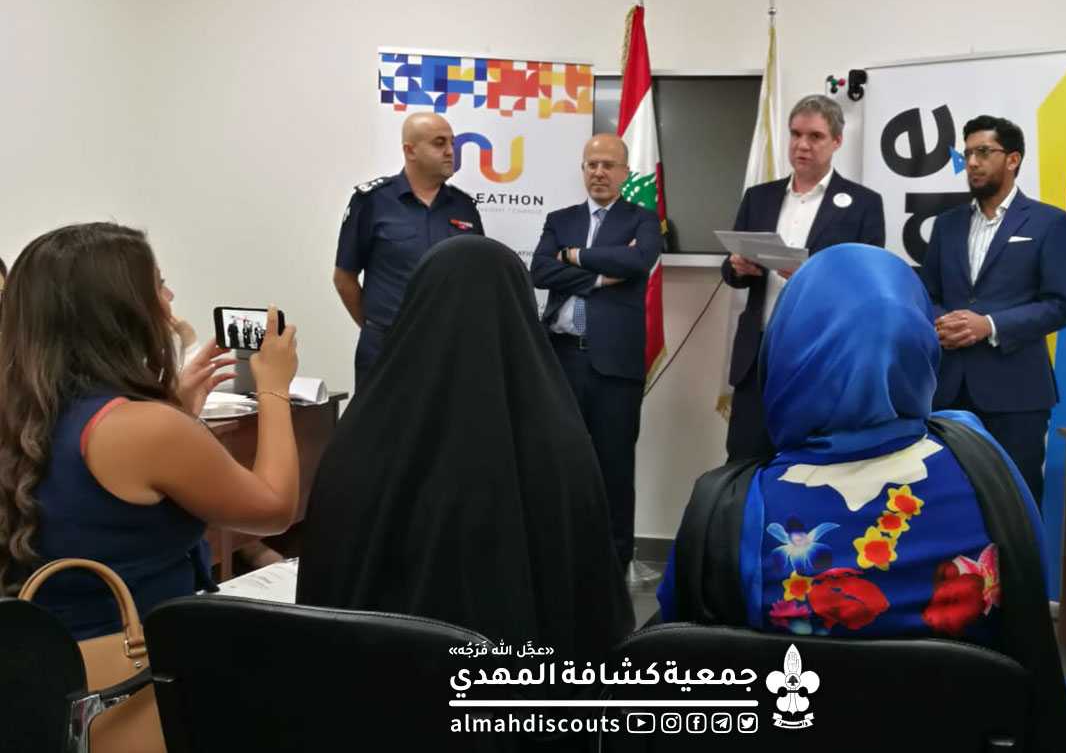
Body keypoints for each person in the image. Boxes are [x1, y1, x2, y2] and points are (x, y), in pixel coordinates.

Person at [659, 243, 1066, 750]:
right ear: (920, 347)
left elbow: (680, 658)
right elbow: (1029, 599)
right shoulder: (983, 463)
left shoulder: (726, 509)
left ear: (785, 354)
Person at [298, 236, 634, 667]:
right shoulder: (562, 447)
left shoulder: (360, 436)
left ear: (418, 305)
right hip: (515, 699)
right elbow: (593, 610)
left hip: (373, 690)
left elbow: (327, 584)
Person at [0, 223, 300, 639]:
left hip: (41, 653)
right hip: (131, 658)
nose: (170, 297)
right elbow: (274, 511)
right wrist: (274, 389)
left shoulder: (24, 406)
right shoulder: (145, 429)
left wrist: (175, 410)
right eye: (159, 284)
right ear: (122, 309)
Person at [921, 115, 1066, 508]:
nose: (972, 162)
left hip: (1016, 394)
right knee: (943, 501)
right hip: (948, 390)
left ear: (1013, 159)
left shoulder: (1050, 222)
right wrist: (943, 321)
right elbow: (928, 292)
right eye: (967, 154)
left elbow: (1059, 306)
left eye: (983, 152)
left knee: (1014, 504)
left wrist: (988, 325)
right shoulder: (947, 225)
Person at [722, 94, 885, 462]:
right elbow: (729, 271)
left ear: (837, 141)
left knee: (809, 465)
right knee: (745, 463)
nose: (802, 145)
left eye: (815, 136)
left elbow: (869, 287)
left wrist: (813, 275)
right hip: (758, 354)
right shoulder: (759, 197)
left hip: (821, 356)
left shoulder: (863, 203)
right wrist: (737, 267)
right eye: (795, 134)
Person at [529, 133, 662, 568]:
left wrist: (572, 256)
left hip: (615, 366)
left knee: (614, 467)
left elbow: (637, 262)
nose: (599, 172)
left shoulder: (644, 219)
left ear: (625, 172)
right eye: (592, 165)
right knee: (559, 462)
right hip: (561, 358)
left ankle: (614, 564)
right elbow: (539, 271)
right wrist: (601, 276)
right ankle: (558, 558)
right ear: (583, 169)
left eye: (608, 165)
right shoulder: (560, 219)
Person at [333, 111, 485, 389]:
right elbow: (344, 278)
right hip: (386, 346)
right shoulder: (372, 201)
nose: (451, 151)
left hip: (449, 350)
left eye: (452, 143)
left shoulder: (464, 207)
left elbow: (476, 278)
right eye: (439, 143)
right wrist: (376, 326)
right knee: (380, 419)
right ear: (410, 150)